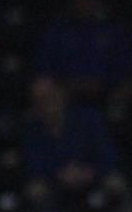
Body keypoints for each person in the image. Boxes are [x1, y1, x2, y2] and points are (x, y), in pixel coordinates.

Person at [35, 0, 132, 103]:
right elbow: (45, 68)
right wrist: (69, 84)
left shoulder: (111, 31)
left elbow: (123, 67)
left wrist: (104, 84)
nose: (85, 4)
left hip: (105, 92)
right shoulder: (58, 32)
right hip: (64, 92)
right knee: (42, 87)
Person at [22, 74, 120, 202]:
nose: (46, 103)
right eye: (40, 99)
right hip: (54, 182)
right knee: (35, 190)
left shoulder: (89, 119)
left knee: (116, 183)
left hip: (92, 176)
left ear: (62, 95)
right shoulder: (32, 129)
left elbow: (107, 154)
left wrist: (90, 171)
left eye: (50, 96)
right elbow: (34, 165)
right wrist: (58, 174)